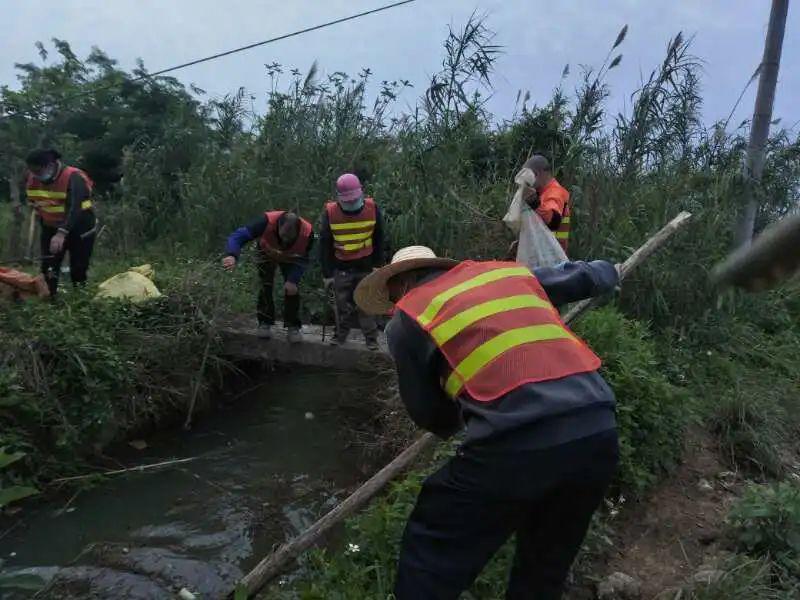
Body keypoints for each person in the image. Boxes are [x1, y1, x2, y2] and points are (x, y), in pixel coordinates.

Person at [354, 246, 621, 599]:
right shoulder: (507, 275)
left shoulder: (407, 320)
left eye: (391, 297)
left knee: (432, 551)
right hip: (597, 429)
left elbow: (430, 415)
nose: (393, 306)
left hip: (516, 442)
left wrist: (464, 412)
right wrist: (610, 271)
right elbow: (582, 276)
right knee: (544, 567)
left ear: (402, 284)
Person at [223, 210, 314, 343]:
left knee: (291, 288)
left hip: (292, 258)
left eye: (289, 238)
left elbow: (304, 259)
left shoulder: (308, 233)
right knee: (265, 284)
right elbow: (238, 236)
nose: (285, 241)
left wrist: (293, 279)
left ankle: (293, 327)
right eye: (283, 236)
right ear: (278, 227)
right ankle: (264, 322)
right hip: (266, 251)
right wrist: (232, 254)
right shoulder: (265, 222)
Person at [319, 173, 384, 350]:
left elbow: (380, 237)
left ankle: (371, 339)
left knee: (366, 304)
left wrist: (378, 265)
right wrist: (327, 274)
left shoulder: (372, 208)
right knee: (341, 305)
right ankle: (339, 335)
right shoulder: (331, 212)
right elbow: (324, 244)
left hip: (366, 264)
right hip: (342, 266)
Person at [25, 148, 97, 296]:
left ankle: (81, 299)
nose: (36, 175)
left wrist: (61, 233)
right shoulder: (33, 179)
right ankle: (50, 300)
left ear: (50, 165)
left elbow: (75, 208)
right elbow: (36, 203)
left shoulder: (73, 177)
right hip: (51, 226)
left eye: (38, 171)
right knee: (49, 266)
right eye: (33, 172)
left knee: (78, 267)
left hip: (80, 228)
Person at [522, 154, 571, 254]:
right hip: (545, 255)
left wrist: (533, 201)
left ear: (537, 174)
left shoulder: (554, 192)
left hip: (553, 258)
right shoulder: (542, 192)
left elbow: (554, 221)